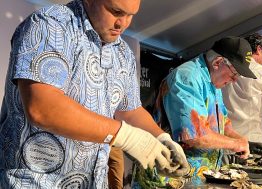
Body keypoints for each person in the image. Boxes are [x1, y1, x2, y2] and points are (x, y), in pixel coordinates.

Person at [0, 0, 189, 188]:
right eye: (116, 11)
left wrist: (161, 139)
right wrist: (126, 136)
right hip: (33, 183)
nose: (122, 23)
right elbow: (42, 108)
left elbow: (130, 111)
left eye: (131, 15)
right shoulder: (50, 24)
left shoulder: (123, 53)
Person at [132, 36, 262, 188]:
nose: (234, 80)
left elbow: (224, 125)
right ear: (218, 62)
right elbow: (194, 135)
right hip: (167, 178)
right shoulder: (187, 77)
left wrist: (244, 142)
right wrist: (235, 144)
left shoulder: (213, 82)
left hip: (194, 178)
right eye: (234, 74)